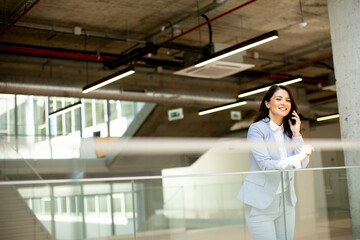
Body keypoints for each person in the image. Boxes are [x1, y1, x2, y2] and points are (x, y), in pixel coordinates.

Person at [237, 84, 314, 240]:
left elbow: (303, 164)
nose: (283, 103)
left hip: (286, 202)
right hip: (260, 203)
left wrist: (297, 134)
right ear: (267, 103)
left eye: (287, 100)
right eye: (278, 99)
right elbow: (265, 164)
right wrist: (297, 158)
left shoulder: (289, 131)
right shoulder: (256, 129)